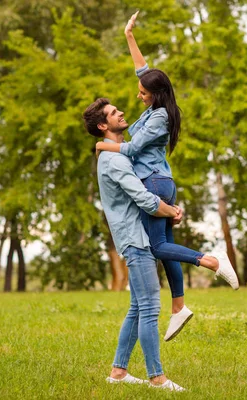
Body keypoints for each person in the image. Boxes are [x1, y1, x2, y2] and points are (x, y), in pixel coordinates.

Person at [95, 11, 239, 342]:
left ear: (155, 95)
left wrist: (103, 144)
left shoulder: (159, 119)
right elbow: (143, 71)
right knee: (167, 244)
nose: (138, 96)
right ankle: (178, 307)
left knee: (157, 247)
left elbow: (131, 151)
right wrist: (129, 36)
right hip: (162, 183)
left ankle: (213, 262)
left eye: (143, 93)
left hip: (155, 183)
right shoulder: (153, 107)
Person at [83, 97, 185, 391]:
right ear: (103, 125)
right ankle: (157, 378)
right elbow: (143, 198)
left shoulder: (119, 154)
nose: (121, 112)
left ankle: (118, 372)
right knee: (151, 306)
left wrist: (168, 212)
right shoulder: (114, 160)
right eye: (114, 113)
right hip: (134, 238)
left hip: (136, 234)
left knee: (138, 307)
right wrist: (171, 210)